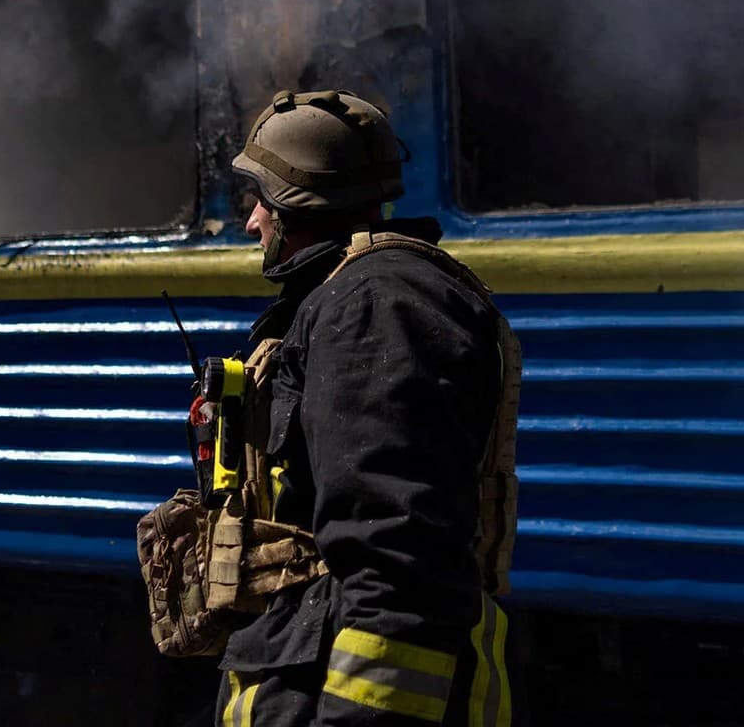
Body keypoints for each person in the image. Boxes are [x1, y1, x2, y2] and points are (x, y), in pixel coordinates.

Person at [216, 88, 520, 727]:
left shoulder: (373, 307)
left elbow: (396, 558)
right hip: (303, 661)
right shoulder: (351, 296)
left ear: (291, 205)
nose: (251, 223)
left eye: (259, 201)